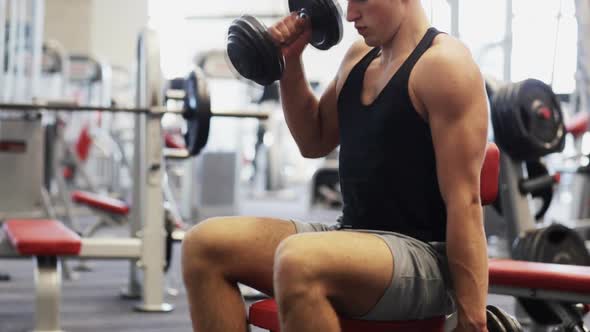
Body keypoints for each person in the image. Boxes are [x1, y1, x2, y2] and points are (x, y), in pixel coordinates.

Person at [181, 0, 490, 331]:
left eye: (361, 0)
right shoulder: (360, 57)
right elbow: (313, 140)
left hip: (425, 259)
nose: (350, 13)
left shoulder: (444, 65)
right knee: (203, 245)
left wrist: (474, 318)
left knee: (299, 260)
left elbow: (465, 202)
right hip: (353, 237)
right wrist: (290, 61)